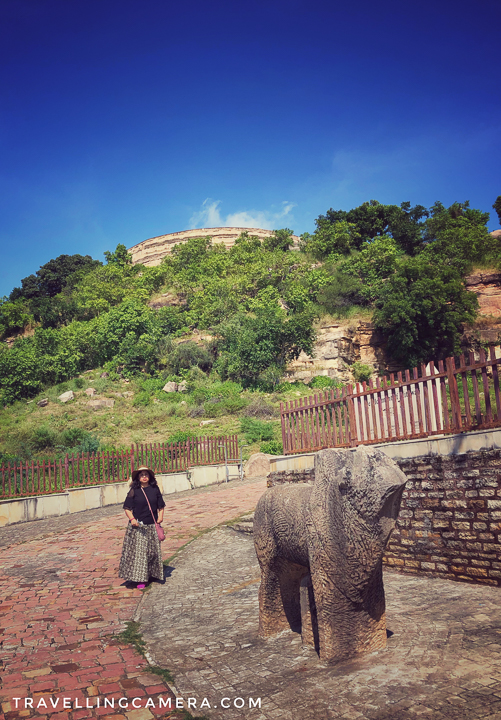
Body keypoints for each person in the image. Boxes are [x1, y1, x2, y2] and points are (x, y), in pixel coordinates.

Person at [118, 465, 165, 589]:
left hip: (152, 525)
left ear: (150, 476)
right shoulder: (134, 491)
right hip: (139, 526)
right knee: (140, 554)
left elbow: (161, 505)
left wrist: (160, 516)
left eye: (146, 474)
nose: (144, 476)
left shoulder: (155, 489)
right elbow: (127, 508)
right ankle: (141, 579)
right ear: (138, 478)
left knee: (152, 552)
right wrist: (132, 519)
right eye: (141, 475)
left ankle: (152, 574)